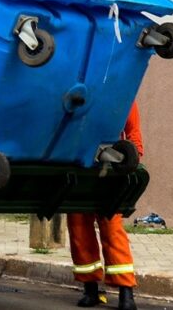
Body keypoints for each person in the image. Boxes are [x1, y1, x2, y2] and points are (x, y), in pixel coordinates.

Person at [67, 101, 144, 310]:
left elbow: (133, 131)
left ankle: (126, 293)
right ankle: (90, 289)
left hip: (111, 171)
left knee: (112, 228)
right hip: (79, 167)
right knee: (79, 228)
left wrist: (132, 157)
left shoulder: (123, 91)